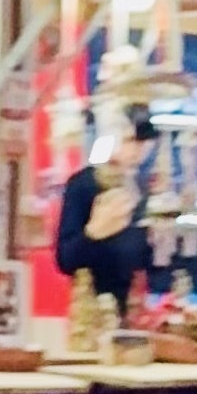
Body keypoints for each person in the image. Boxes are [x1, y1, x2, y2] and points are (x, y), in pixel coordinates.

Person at [54, 104, 161, 337]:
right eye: (131, 140)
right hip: (91, 314)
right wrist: (94, 232)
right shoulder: (84, 185)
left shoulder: (142, 188)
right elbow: (65, 259)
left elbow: (148, 262)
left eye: (144, 143)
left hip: (134, 314)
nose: (138, 150)